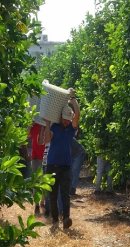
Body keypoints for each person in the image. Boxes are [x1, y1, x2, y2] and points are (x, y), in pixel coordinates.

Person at [42, 88, 80, 230]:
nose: (66, 121)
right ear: (60, 118)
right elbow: (47, 139)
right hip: (52, 165)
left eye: (67, 119)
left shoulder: (71, 128)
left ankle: (66, 218)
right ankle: (54, 221)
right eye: (64, 119)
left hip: (65, 166)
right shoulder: (54, 126)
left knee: (65, 193)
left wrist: (73, 99)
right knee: (52, 194)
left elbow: (77, 115)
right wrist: (46, 124)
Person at [28, 122, 45, 213]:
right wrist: (29, 124)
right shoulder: (35, 126)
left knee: (44, 180)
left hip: (46, 157)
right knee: (36, 181)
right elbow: (26, 135)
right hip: (36, 156)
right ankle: (37, 204)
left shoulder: (51, 125)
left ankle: (42, 201)